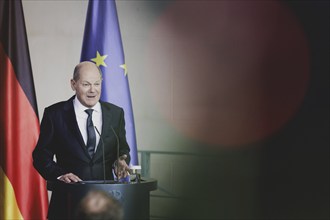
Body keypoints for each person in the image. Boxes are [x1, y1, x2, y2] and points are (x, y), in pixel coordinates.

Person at [32, 61, 131, 219]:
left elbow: (123, 149)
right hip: (67, 202)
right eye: (86, 84)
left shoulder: (115, 113)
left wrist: (120, 161)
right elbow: (40, 156)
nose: (93, 90)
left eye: (97, 84)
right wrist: (60, 174)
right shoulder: (55, 114)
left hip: (104, 204)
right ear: (73, 84)